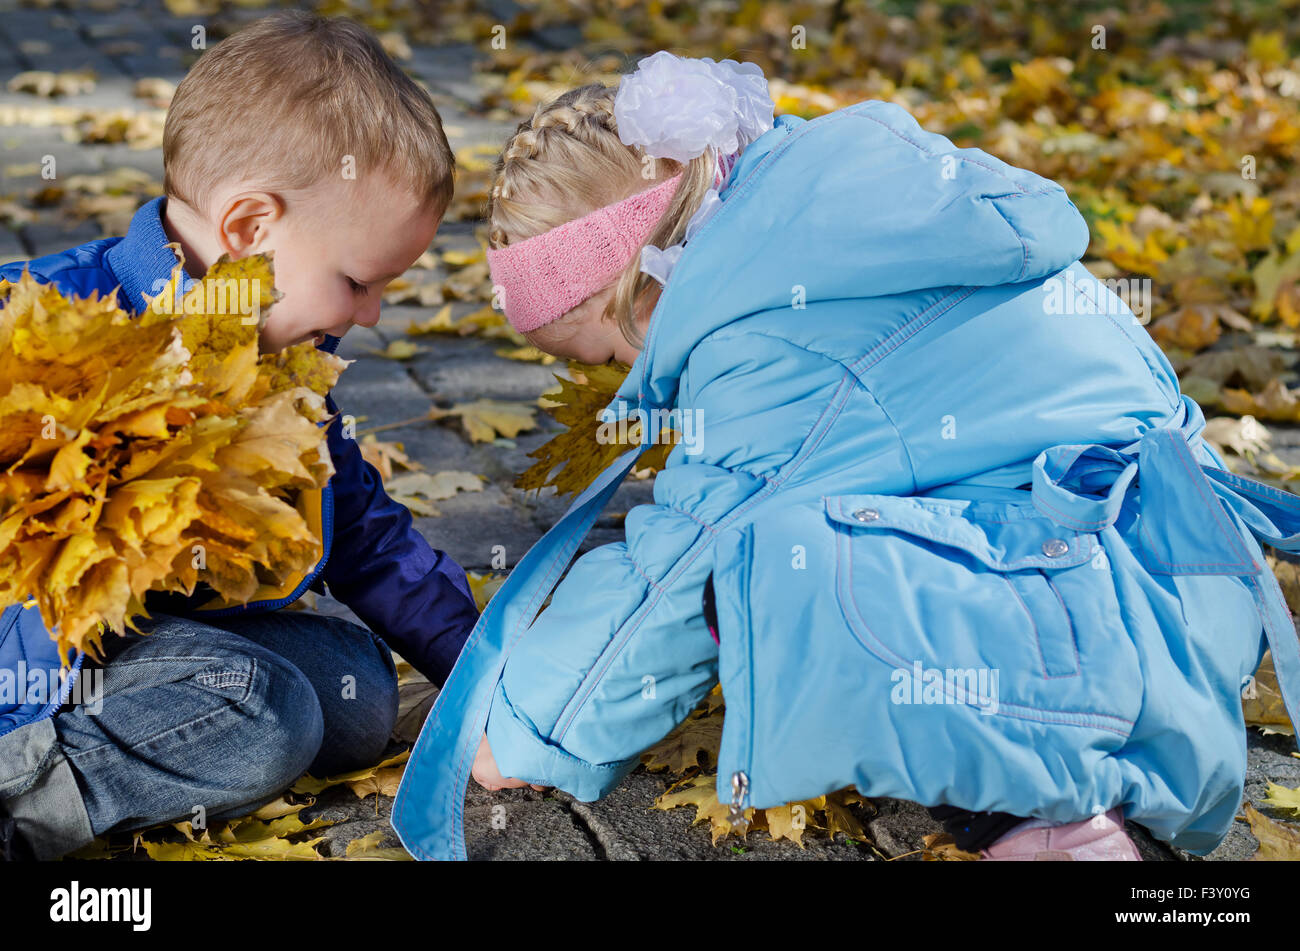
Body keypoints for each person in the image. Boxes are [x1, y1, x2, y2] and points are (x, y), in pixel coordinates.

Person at [392, 51, 1300, 861]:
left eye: (605, 355)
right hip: (1175, 578)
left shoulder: (771, 336)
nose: (629, 382)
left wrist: (530, 729)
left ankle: (1057, 823)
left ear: (637, 277)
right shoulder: (832, 213)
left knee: (771, 568)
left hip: (1089, 636)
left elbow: (683, 562)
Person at [0, 11, 478, 860]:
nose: (372, 313)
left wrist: (481, 677)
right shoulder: (49, 332)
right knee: (268, 712)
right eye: (360, 281)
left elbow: (366, 538)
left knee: (360, 688)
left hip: (142, 647)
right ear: (250, 229)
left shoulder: (283, 357)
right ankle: (21, 802)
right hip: (29, 666)